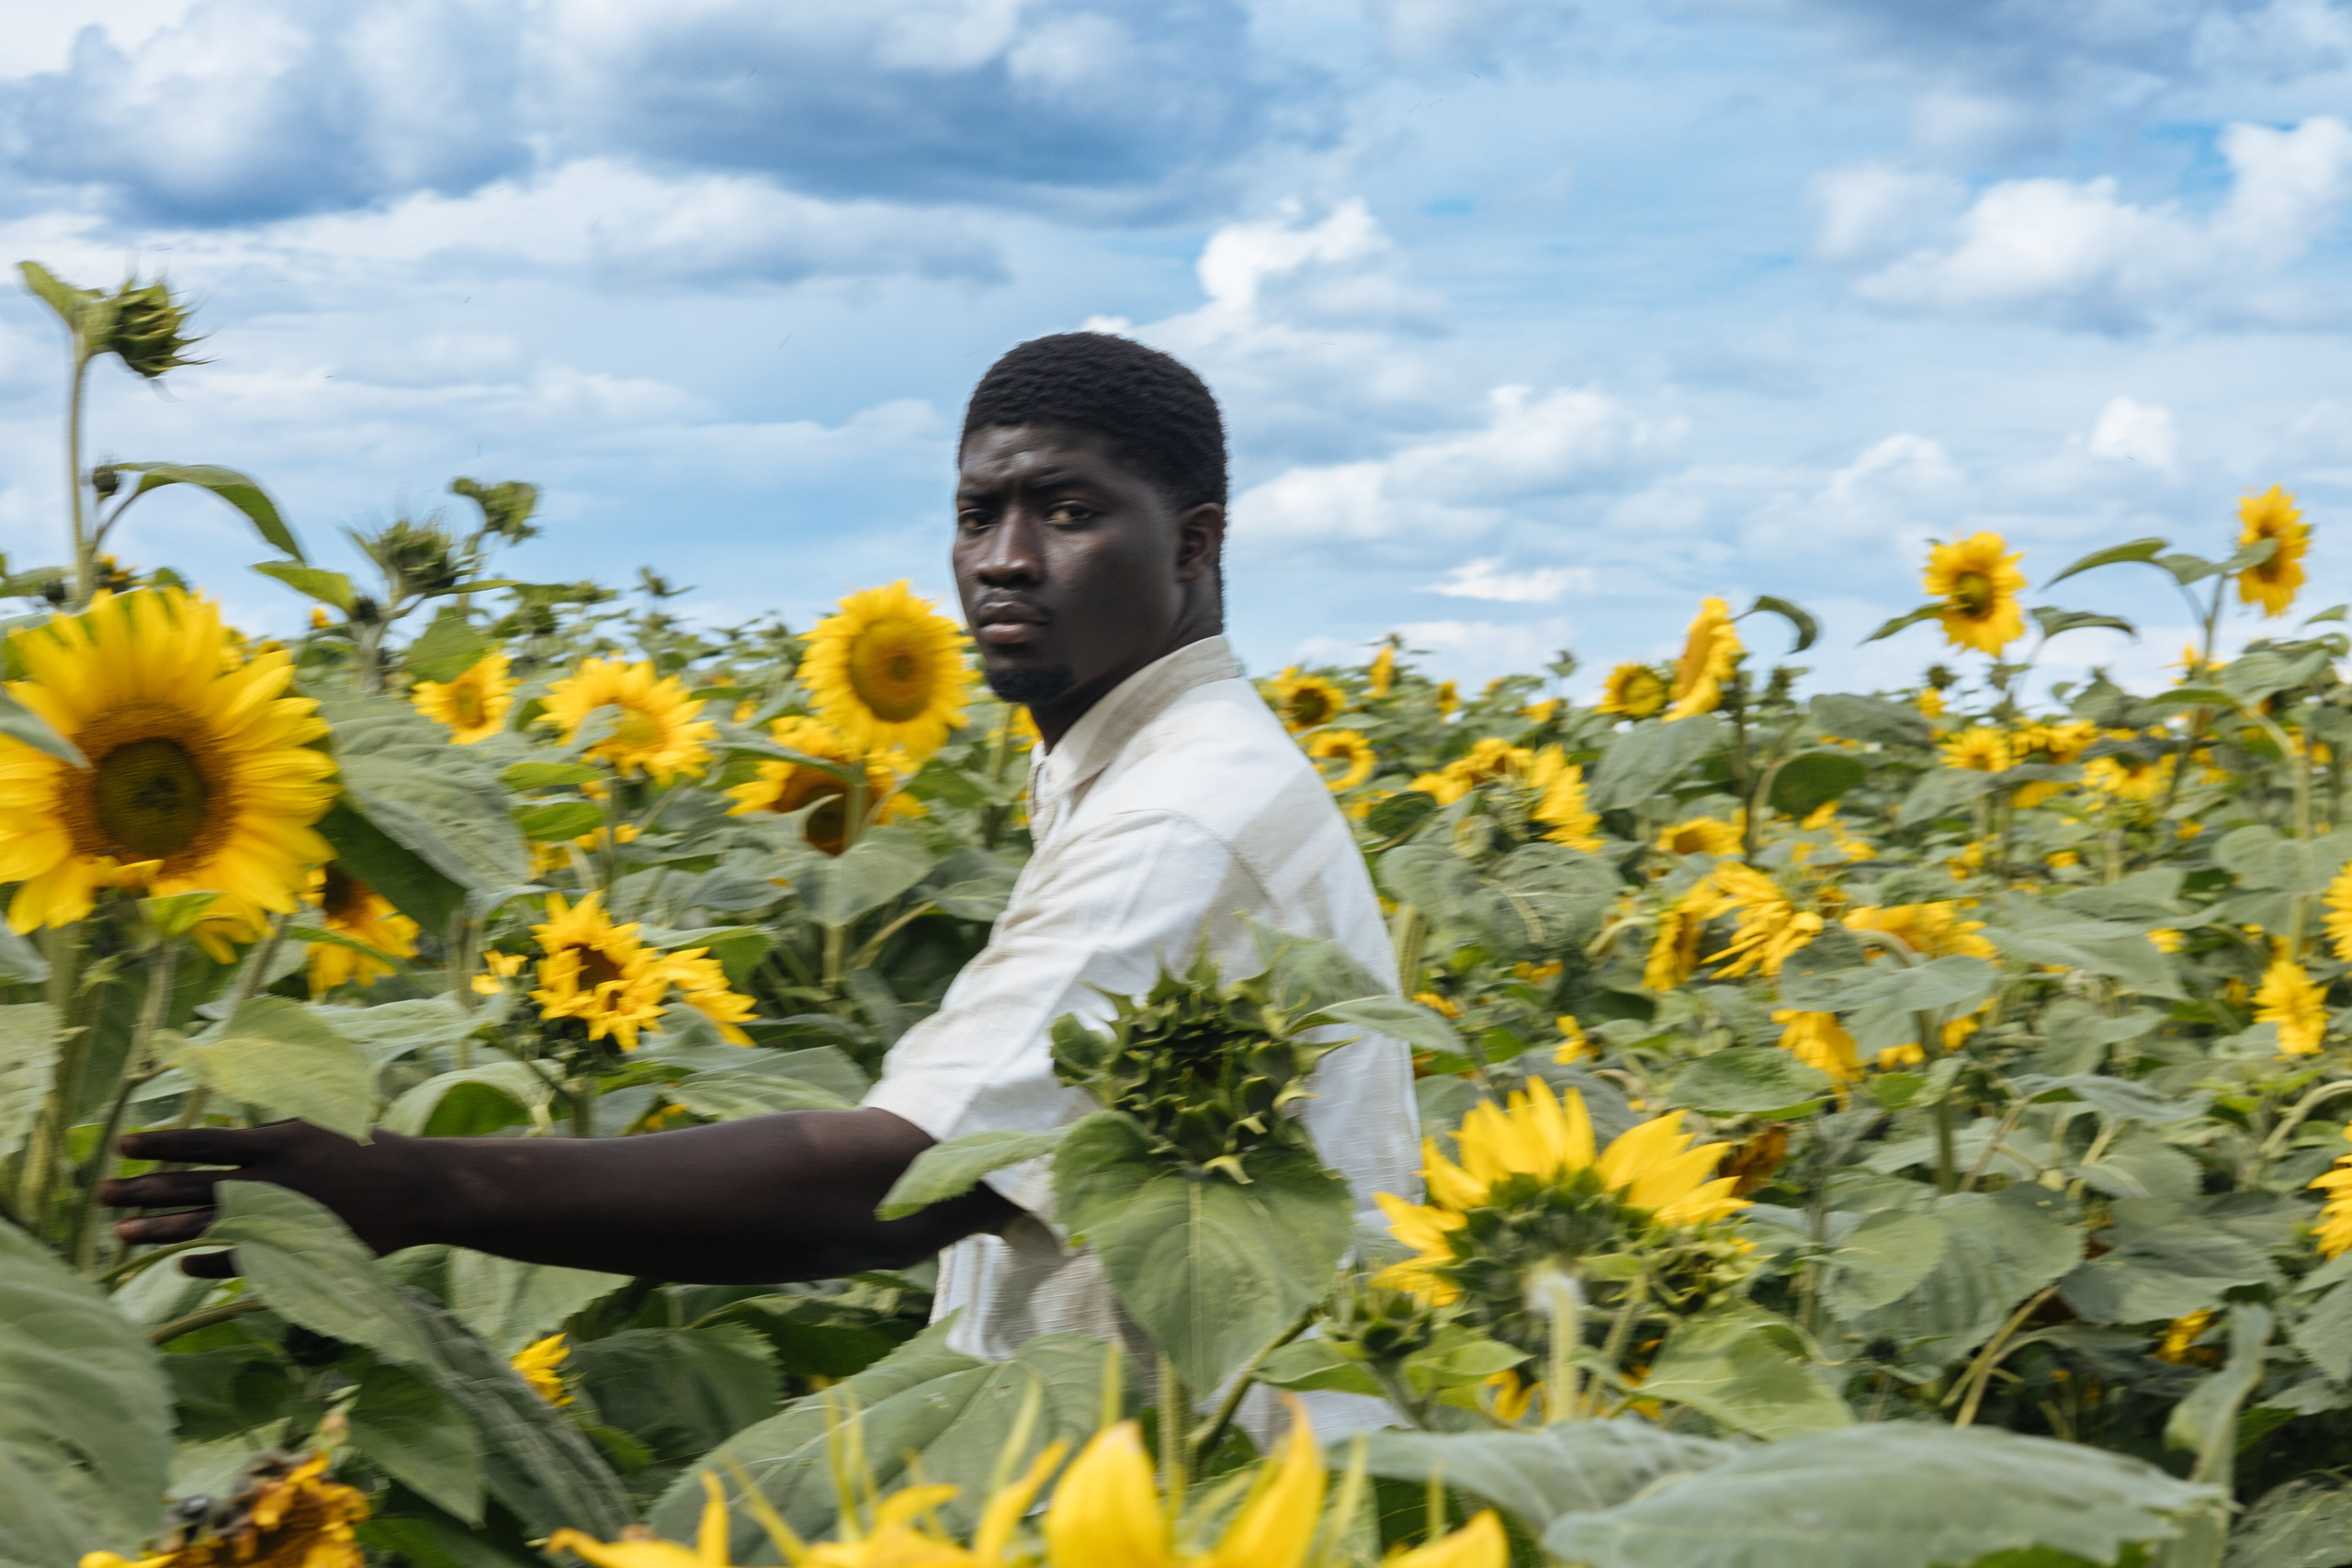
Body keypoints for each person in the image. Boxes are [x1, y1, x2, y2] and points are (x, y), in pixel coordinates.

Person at [103, 333, 1418, 1366]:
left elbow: (899, 1176)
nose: (1003, 562)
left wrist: (426, 1184)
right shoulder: (1145, 768)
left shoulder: (1178, 816)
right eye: (978, 515)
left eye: (1067, 513)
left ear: (1193, 544)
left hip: (1191, 1484)